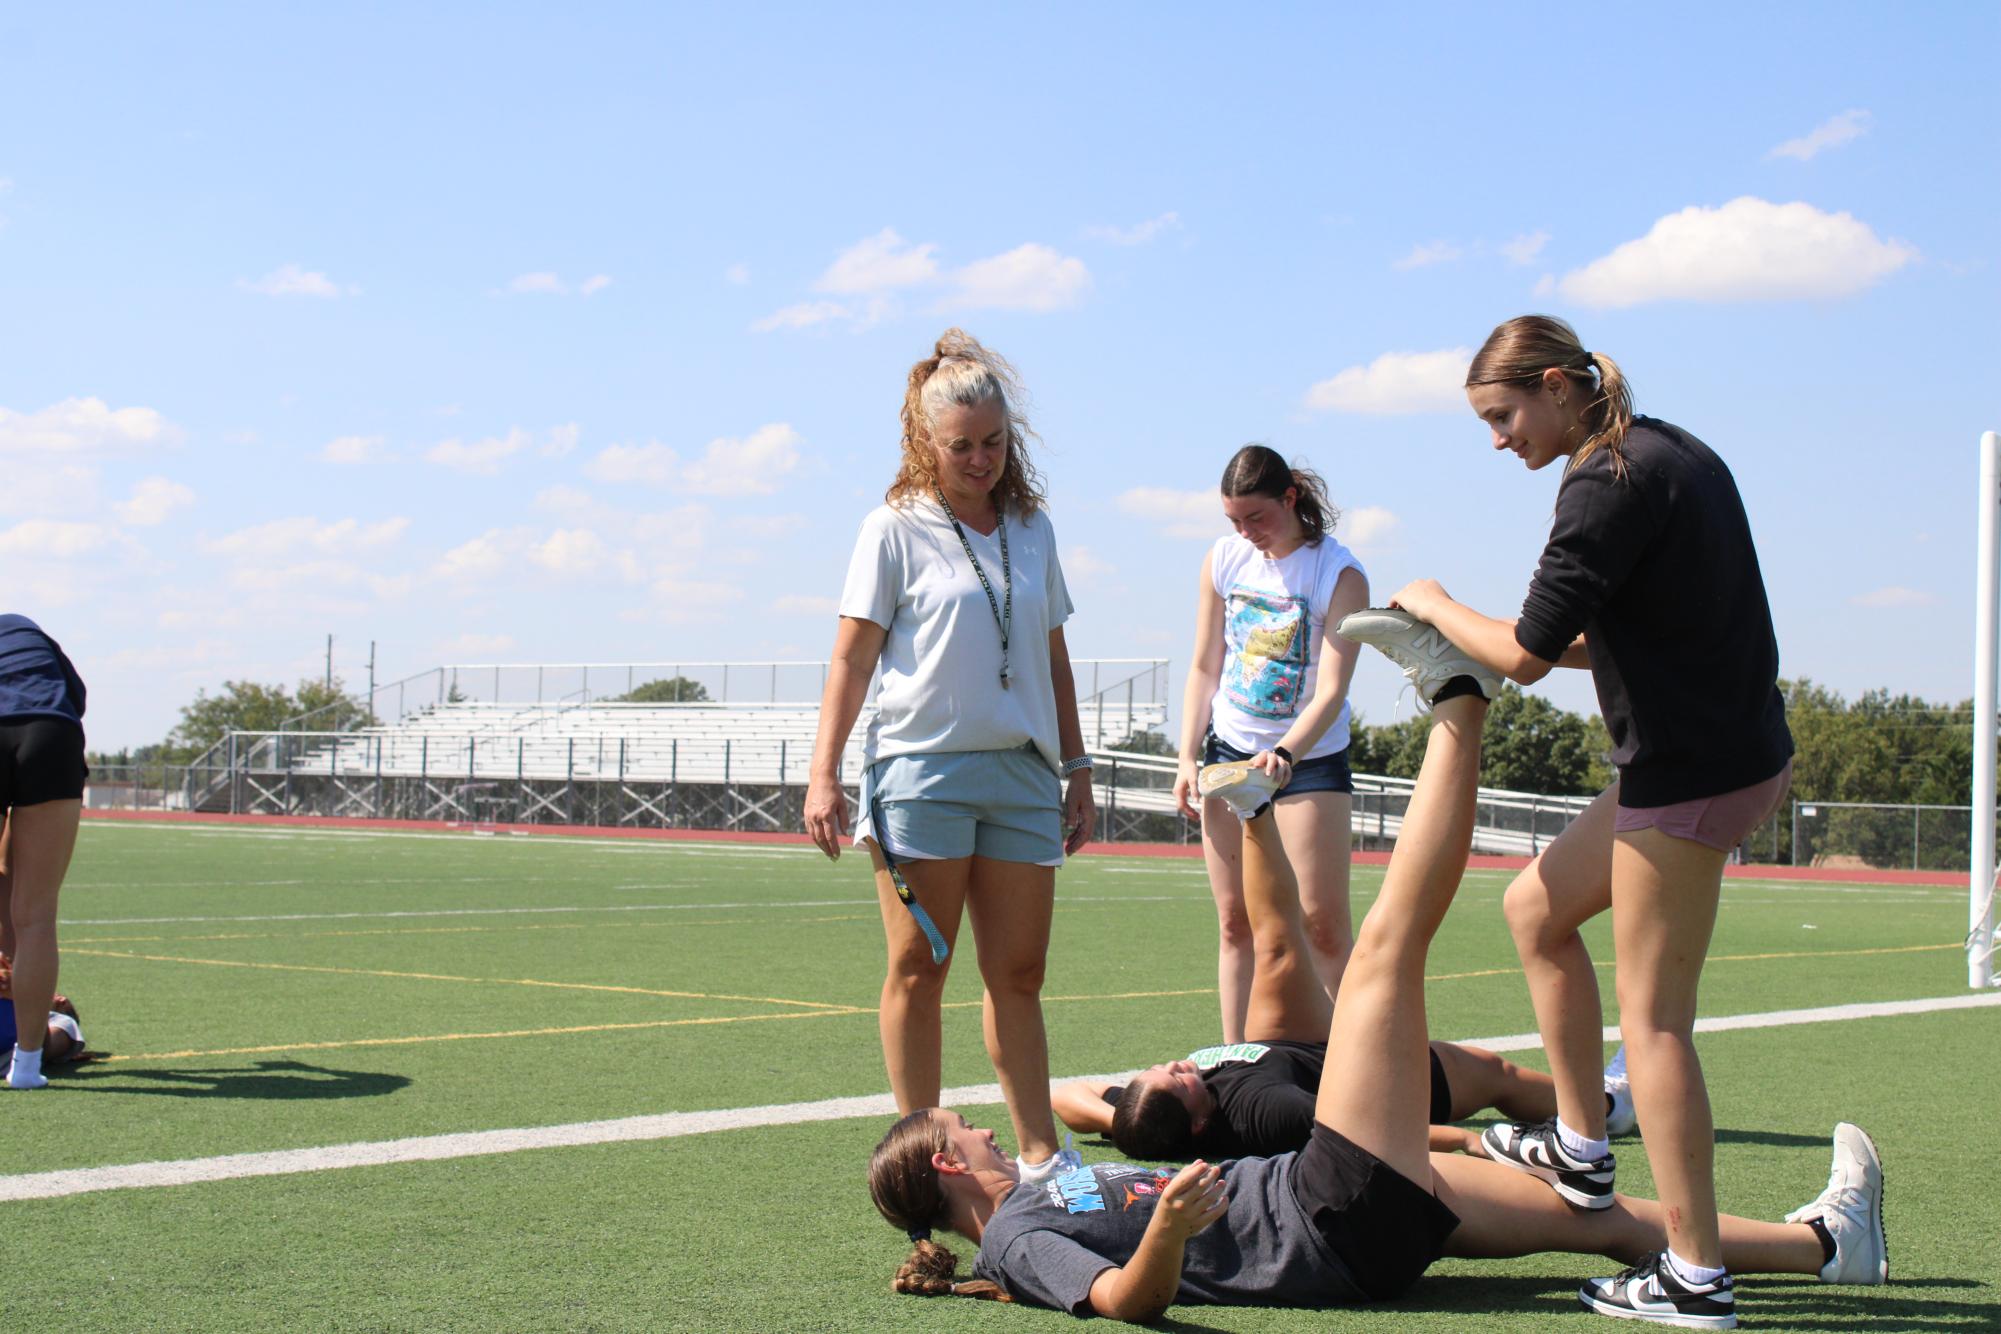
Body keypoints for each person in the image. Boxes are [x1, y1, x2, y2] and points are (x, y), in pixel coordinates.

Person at [866, 645, 1879, 1325]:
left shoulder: (1030, 1196)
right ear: (951, 1172)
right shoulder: (1017, 1233)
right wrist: (1169, 1231)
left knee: (1595, 1214)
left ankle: (1826, 1246)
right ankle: (1458, 702)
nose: (986, 1133)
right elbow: (1121, 1300)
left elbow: (1068, 1100)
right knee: (1385, 949)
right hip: (1325, 1213)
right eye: (967, 1135)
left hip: (1348, 1216)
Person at [1372, 314, 1795, 1322]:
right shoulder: (1661, 451)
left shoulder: (1605, 481)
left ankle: (1694, 1274)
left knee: (1655, 1027)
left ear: (1560, 385)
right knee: (1535, 909)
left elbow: (1521, 654)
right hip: (1716, 753)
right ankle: (1580, 1147)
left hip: (1688, 771)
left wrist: (1432, 601)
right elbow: (1581, 640)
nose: (1499, 438)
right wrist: (1486, 627)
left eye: (1504, 414)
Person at [804, 330, 1095, 1182]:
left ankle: (1041, 1154)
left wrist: (1076, 770)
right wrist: (823, 773)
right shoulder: (891, 528)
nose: (980, 459)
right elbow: (851, 657)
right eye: (961, 445)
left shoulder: (1033, 528)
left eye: (995, 443)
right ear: (924, 442)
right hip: (920, 771)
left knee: (1019, 973)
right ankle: (923, 1154)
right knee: (919, 967)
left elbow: (1053, 659)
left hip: (1022, 776)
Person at [1170, 445, 1369, 1042]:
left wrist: (1284, 754)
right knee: (1236, 923)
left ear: (1290, 499)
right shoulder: (1225, 559)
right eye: (1233, 521)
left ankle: (1348, 1069)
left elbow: (1332, 689)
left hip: (1306, 763)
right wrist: (1187, 755)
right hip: (1228, 755)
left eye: (1256, 518)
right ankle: (1236, 1062)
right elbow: (1205, 665)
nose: (1245, 532)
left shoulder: (1339, 573)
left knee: (1322, 925)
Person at [0, 615, 90, 1090]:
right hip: (51, 734)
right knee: (36, 916)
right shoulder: (25, 631)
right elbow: (73, 702)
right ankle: (27, 1067)